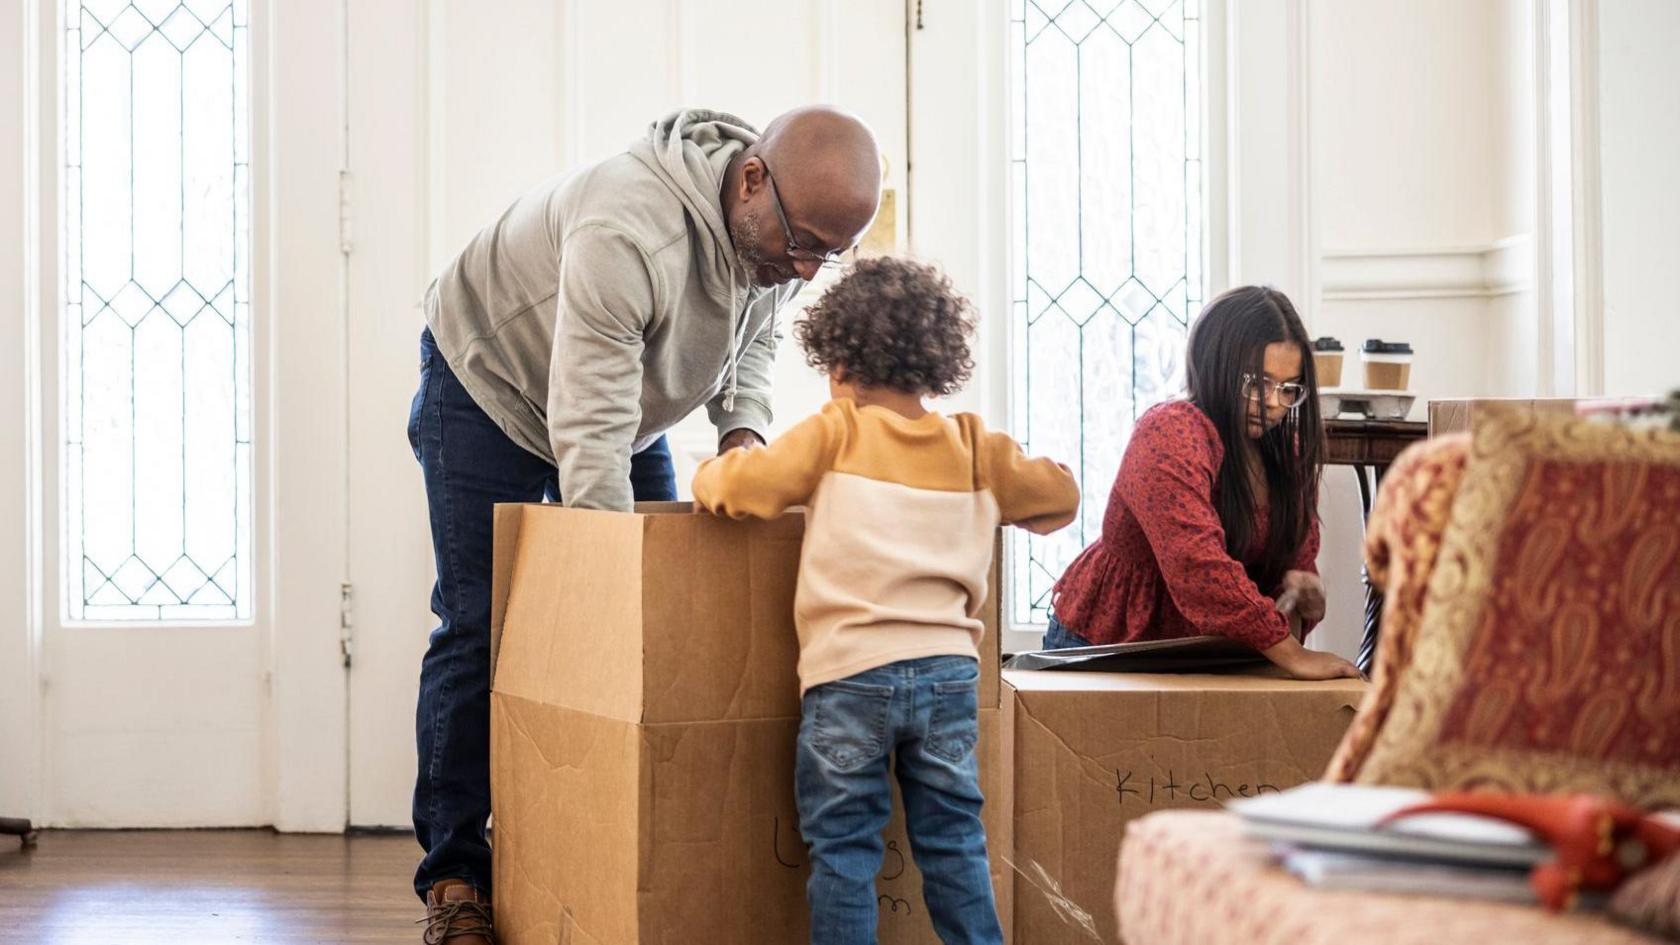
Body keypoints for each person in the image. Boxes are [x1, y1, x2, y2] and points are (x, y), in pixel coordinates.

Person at [407, 106, 882, 943]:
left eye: (828, 256)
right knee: (482, 622)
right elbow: (586, 436)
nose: (807, 270)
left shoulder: (770, 235)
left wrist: (744, 439)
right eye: (803, 243)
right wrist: (603, 591)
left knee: (659, 611)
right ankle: (455, 878)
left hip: (623, 401)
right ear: (749, 181)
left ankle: (610, 843)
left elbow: (753, 344)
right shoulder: (628, 230)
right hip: (488, 384)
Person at [692, 257, 1080, 945]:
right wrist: (1009, 472)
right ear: (936, 358)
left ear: (839, 357)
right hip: (947, 676)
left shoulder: (835, 432)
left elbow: (743, 489)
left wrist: (709, 469)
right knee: (956, 842)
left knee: (844, 851)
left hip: (849, 677)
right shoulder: (970, 445)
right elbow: (1059, 498)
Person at [1042, 285, 1362, 681]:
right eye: (1258, 384)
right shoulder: (1169, 432)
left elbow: (1297, 554)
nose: (1276, 403)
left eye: (1288, 388)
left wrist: (1302, 594)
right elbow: (1197, 567)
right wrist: (1294, 655)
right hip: (1103, 648)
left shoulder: (1286, 451)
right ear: (1215, 367)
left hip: (1204, 653)